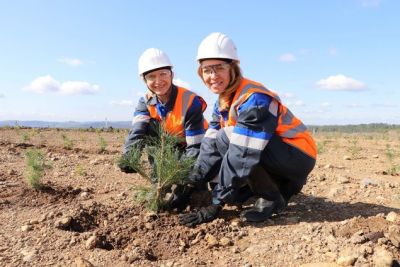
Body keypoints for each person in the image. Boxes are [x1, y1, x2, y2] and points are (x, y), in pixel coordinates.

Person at [178, 33, 317, 227]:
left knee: (227, 138)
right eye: (207, 70)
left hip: (297, 155)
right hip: (277, 155)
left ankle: (271, 197)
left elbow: (242, 153)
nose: (213, 76)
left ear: (233, 68)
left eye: (219, 68)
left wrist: (216, 204)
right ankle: (278, 187)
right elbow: (209, 147)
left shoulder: (254, 98)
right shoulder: (223, 100)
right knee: (221, 145)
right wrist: (190, 182)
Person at [119, 48, 208, 192]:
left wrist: (180, 181)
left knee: (189, 191)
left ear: (172, 75)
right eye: (151, 76)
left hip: (194, 145)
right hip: (168, 146)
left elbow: (195, 147)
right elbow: (137, 132)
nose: (158, 81)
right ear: (144, 80)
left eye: (163, 74)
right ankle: (158, 180)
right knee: (151, 130)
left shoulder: (189, 101)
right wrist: (129, 156)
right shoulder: (145, 101)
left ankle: (197, 186)